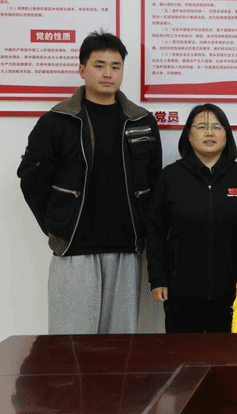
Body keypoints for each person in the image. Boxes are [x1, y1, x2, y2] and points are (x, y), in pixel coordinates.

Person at [17, 31, 162, 334]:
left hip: (126, 248)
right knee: (70, 343)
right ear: (82, 70)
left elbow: (153, 180)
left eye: (115, 66)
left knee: (120, 343)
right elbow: (31, 179)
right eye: (99, 65)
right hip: (74, 248)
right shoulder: (57, 121)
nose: (108, 73)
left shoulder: (142, 121)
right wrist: (57, 225)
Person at [146, 104, 237, 333]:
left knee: (228, 352)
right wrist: (158, 278)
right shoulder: (171, 176)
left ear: (227, 134)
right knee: (183, 351)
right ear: (189, 135)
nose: (209, 133)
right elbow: (155, 230)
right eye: (202, 127)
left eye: (217, 127)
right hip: (182, 290)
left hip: (233, 290)